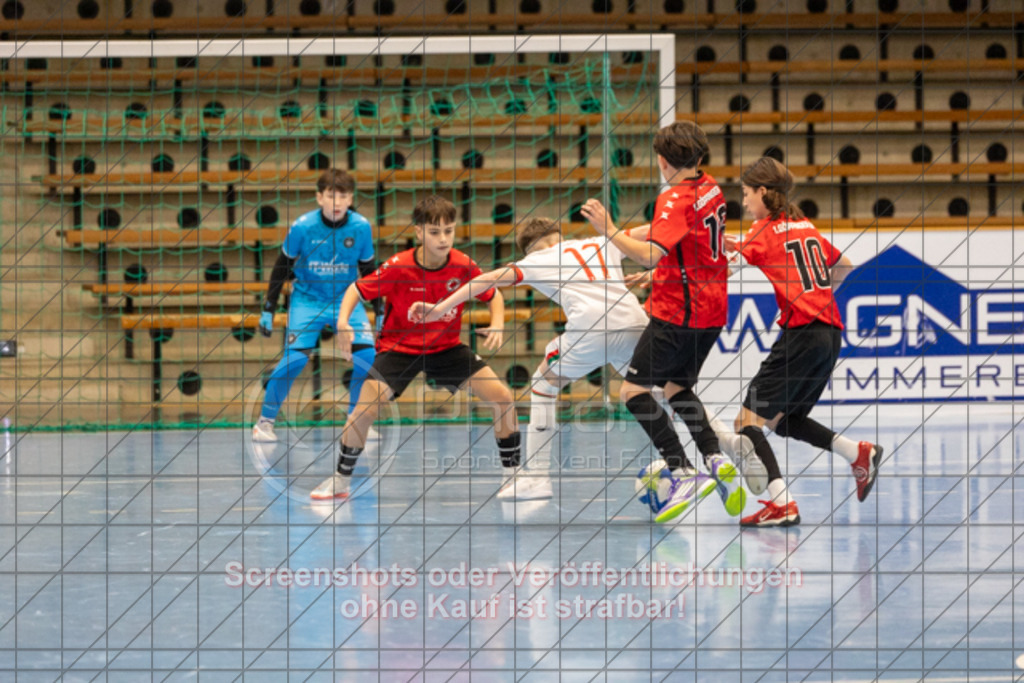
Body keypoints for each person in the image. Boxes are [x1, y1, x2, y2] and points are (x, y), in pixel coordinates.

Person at [580, 120, 749, 522]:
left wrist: (610, 231)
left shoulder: (674, 197)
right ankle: (714, 458)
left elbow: (651, 252)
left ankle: (680, 469)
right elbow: (682, 244)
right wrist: (661, 271)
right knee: (677, 387)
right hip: (712, 312)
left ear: (661, 161)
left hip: (678, 314)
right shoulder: (711, 188)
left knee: (633, 393)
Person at [411, 217, 650, 501]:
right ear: (559, 234)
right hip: (637, 322)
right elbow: (653, 230)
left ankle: (537, 478)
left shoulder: (538, 260)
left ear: (532, 249)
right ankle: (712, 446)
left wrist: (440, 308)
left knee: (543, 383)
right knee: (654, 390)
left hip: (593, 328)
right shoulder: (600, 241)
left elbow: (486, 280)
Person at [310, 195, 518, 500]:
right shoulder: (399, 266)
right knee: (363, 412)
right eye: (435, 232)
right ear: (419, 232)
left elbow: (493, 293)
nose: (443, 238)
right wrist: (343, 322)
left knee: (503, 399)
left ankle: (513, 477)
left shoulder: (463, 265)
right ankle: (341, 479)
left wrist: (497, 322)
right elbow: (357, 288)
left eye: (449, 230)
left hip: (446, 348)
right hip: (399, 349)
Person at [722, 157, 883, 528]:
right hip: (830, 335)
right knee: (783, 419)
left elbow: (723, 265)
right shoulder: (804, 226)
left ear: (763, 192)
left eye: (746, 195)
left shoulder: (763, 231)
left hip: (802, 334)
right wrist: (817, 296)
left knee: (746, 422)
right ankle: (857, 452)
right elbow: (844, 267)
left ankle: (780, 504)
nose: (744, 203)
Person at [252, 169, 376, 442]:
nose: (337, 202)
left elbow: (369, 271)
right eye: (331, 196)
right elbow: (281, 266)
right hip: (307, 300)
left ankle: (356, 421)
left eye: (343, 196)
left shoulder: (361, 227)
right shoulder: (302, 227)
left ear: (350, 198)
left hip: (346, 300)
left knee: (368, 357)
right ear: (320, 197)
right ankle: (265, 422)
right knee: (294, 359)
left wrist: (380, 310)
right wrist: (268, 308)